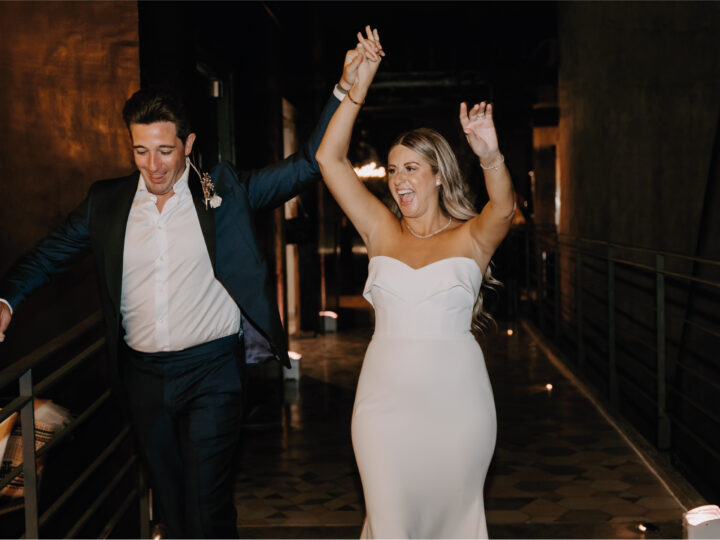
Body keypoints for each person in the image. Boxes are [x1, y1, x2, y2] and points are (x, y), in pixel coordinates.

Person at [0, 47, 363, 538]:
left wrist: (343, 89)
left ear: (188, 144)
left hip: (212, 373)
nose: (152, 166)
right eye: (140, 151)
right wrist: (6, 300)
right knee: (174, 511)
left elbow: (307, 164)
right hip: (143, 380)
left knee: (206, 511)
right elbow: (47, 255)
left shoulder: (224, 191)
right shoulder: (106, 203)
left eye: (165, 151)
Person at [316, 27, 515, 539]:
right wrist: (355, 88)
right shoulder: (380, 229)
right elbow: (328, 160)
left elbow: (503, 208)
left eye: (412, 168)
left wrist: (489, 155)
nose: (399, 179)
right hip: (383, 403)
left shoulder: (472, 238)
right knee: (391, 522)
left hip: (458, 404)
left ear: (439, 175)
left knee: (452, 523)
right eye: (392, 170)